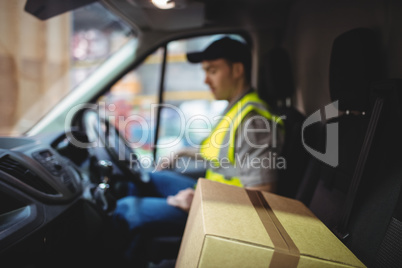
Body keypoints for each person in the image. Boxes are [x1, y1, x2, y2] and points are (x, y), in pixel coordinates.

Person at [112, 37, 284, 266]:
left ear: (238, 70)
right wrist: (182, 152)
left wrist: (199, 202)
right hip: (211, 197)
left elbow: (262, 194)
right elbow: (222, 155)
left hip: (221, 215)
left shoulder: (254, 122)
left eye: (212, 70)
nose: (206, 80)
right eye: (205, 71)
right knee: (147, 179)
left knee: (126, 209)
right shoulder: (237, 108)